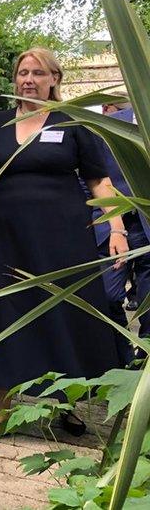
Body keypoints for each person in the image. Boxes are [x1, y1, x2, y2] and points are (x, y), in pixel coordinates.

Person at [0, 47, 128, 445]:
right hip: (8, 239)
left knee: (64, 314)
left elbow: (99, 181)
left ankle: (66, 405)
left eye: (38, 72)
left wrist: (118, 229)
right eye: (23, 72)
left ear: (54, 78)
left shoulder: (72, 121)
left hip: (64, 239)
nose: (28, 79)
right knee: (6, 315)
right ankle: (2, 412)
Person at [89, 91, 149, 360]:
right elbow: (90, 177)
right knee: (108, 293)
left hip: (145, 226)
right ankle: (123, 352)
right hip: (112, 227)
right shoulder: (105, 129)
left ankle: (144, 355)